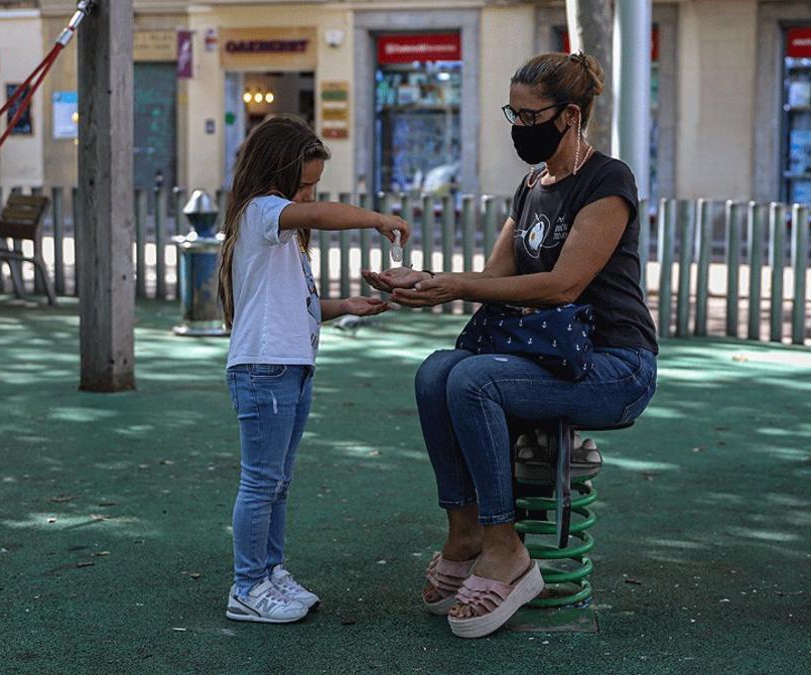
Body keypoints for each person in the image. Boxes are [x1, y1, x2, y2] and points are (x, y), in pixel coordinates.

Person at [364, 51, 659, 639]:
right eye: (513, 114)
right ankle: (466, 530)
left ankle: (507, 551)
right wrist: (426, 285)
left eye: (529, 117)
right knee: (436, 370)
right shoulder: (531, 186)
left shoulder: (608, 181)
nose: (518, 128)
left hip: (615, 366)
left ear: (570, 115)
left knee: (474, 378)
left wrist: (449, 285)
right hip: (549, 357)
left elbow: (563, 284)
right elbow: (496, 280)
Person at [219, 116, 410, 624]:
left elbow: (294, 304)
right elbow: (324, 216)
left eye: (315, 186)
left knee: (278, 482)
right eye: (306, 184)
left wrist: (346, 304)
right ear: (278, 174)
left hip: (291, 367)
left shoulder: (282, 234)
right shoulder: (262, 212)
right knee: (261, 482)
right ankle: (247, 586)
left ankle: (270, 570)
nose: (311, 196)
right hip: (265, 369)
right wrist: (375, 218)